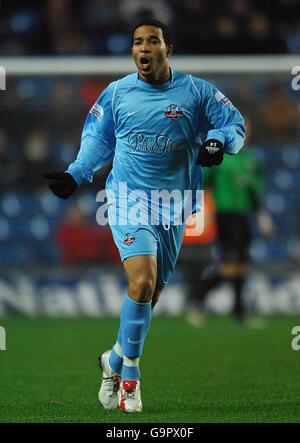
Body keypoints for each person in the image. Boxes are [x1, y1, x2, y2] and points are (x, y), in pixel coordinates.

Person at [43, 19, 245, 413]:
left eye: (153, 41)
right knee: (142, 281)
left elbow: (233, 124)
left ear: (168, 49)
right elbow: (96, 141)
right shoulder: (117, 94)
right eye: (138, 42)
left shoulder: (196, 92)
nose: (144, 48)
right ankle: (130, 379)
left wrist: (219, 143)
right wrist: (75, 174)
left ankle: (113, 359)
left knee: (149, 294)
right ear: (133, 51)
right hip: (128, 200)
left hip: (174, 204)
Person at [185, 118, 274, 327]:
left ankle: (238, 311)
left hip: (243, 217)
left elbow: (254, 193)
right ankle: (196, 298)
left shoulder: (251, 160)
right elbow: (203, 183)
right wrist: (201, 212)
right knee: (230, 265)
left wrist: (262, 217)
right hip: (225, 215)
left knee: (240, 265)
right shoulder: (220, 157)